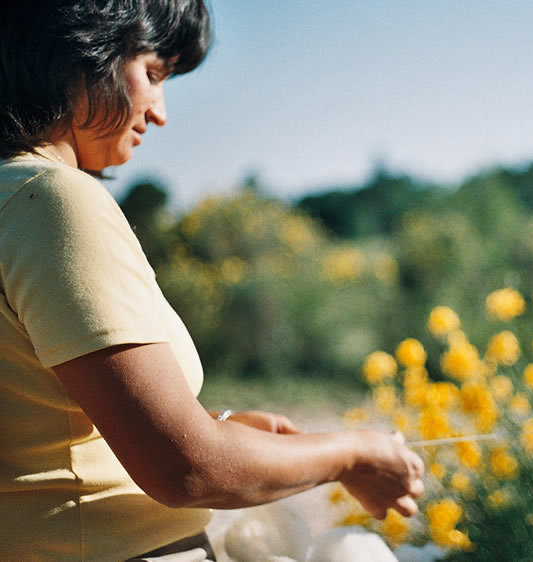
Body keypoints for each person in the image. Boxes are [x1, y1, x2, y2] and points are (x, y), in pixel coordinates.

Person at [0, 1, 424, 560]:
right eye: (151, 74)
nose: (159, 113)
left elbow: (41, 424)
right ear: (79, 52)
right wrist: (354, 454)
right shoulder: (52, 201)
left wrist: (214, 427)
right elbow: (187, 469)